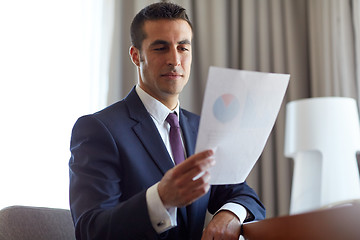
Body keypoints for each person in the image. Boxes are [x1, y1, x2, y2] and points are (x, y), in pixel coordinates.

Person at [69, 2, 265, 240]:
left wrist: (229, 215)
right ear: (135, 55)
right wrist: (160, 199)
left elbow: (244, 195)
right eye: (161, 48)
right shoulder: (99, 130)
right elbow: (91, 230)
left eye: (183, 48)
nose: (174, 59)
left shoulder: (202, 128)